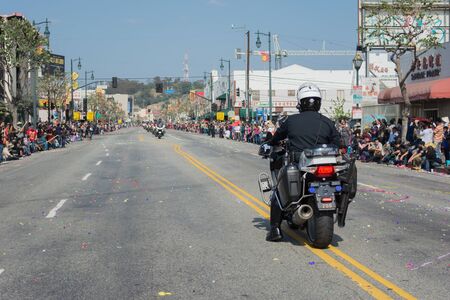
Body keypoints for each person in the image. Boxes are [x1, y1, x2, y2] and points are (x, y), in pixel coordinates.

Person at [264, 82, 341, 242]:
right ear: (318, 102)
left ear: (300, 102)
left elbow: (277, 138)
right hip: (325, 166)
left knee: (278, 191)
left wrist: (270, 142)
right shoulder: (327, 122)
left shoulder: (291, 121)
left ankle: (275, 230)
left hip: (299, 165)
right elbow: (339, 143)